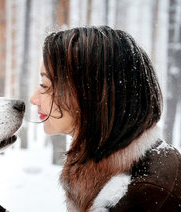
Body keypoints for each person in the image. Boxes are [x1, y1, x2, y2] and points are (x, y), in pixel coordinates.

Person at [30, 26, 181, 211]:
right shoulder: (109, 167)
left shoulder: (148, 193)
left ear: (91, 94)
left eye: (45, 86)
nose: (34, 99)